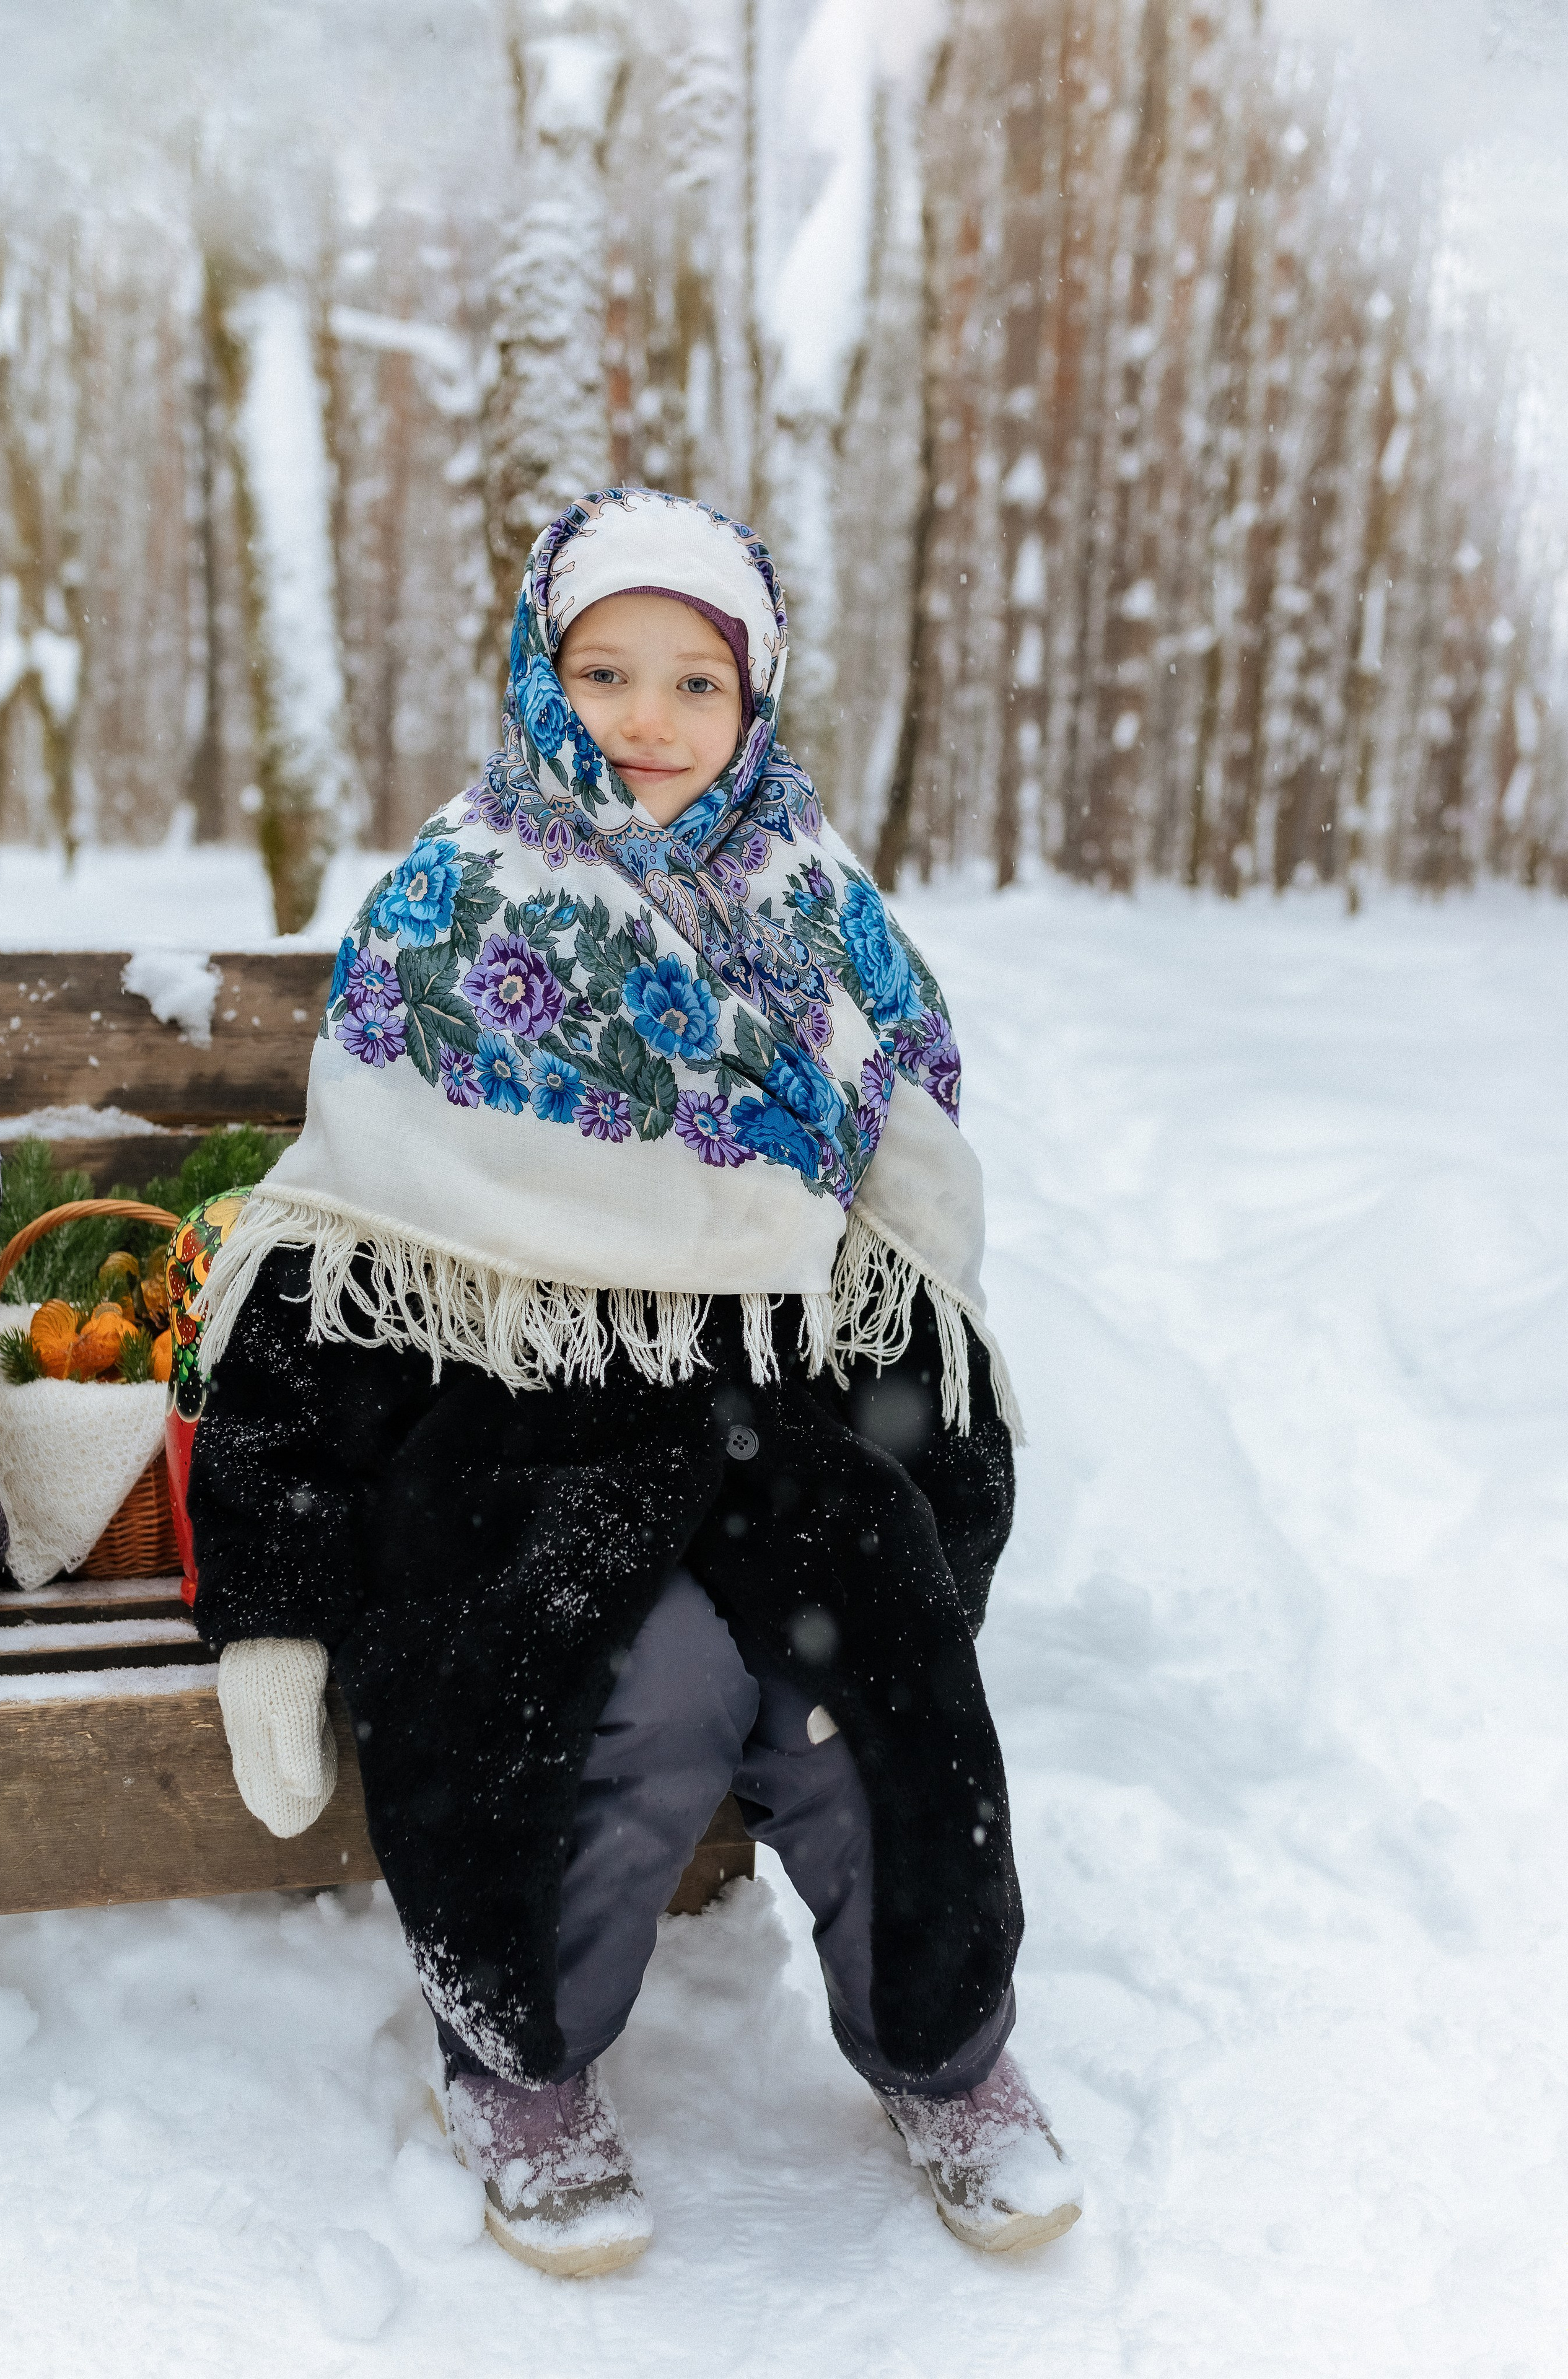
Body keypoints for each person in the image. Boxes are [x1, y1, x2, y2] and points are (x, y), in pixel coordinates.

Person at [185, 487, 1084, 2278]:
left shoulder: (821, 921)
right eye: (604, 671)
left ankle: (944, 2049)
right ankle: (516, 2053)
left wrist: (938, 1514)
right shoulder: (458, 914)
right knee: (632, 1681)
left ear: (757, 705)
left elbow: (910, 1271)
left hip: (789, 1437)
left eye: (695, 681)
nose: (648, 720)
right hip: (523, 1442)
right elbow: (325, 1286)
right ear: (539, 675)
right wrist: (276, 1605)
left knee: (864, 1683)